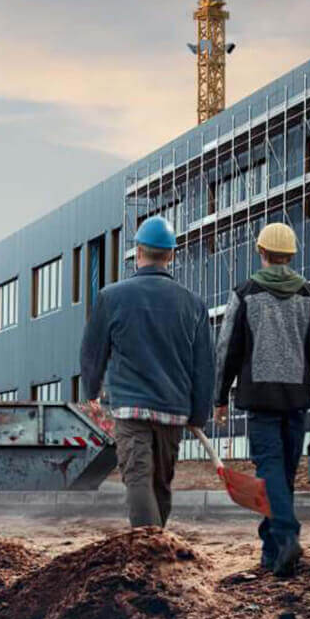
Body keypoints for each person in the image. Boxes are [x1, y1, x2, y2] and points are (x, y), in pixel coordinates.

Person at [214, 221, 310, 576]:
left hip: (259, 397)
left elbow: (227, 349)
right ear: (290, 255)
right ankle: (272, 555)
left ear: (262, 252)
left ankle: (286, 535)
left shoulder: (245, 293)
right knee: (283, 474)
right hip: (297, 397)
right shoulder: (309, 295)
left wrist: (219, 397)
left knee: (269, 469)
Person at [81, 215, 214, 530]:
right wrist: (199, 413)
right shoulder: (193, 305)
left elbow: (92, 350)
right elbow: (205, 366)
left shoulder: (111, 298)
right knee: (161, 482)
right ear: (170, 256)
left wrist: (91, 391)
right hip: (172, 410)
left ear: (138, 253)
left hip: (130, 407)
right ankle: (156, 545)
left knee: (138, 477)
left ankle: (149, 546)